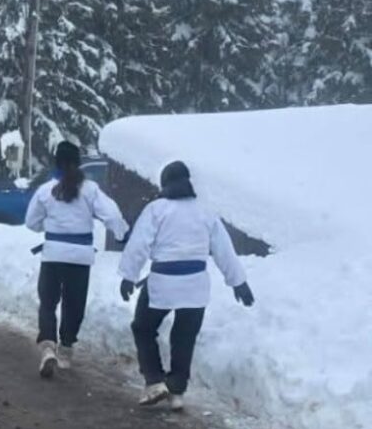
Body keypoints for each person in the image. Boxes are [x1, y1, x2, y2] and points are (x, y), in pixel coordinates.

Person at [118, 160, 254, 410]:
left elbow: (139, 244)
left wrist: (128, 276)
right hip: (195, 285)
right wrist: (238, 282)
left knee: (143, 327)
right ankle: (177, 391)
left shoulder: (157, 209)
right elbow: (224, 250)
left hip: (163, 282)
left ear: (165, 183)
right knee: (184, 337)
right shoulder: (205, 211)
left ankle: (155, 379)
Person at [25, 141, 129, 378]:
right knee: (74, 304)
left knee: (48, 302)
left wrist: (48, 225)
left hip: (52, 253)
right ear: (79, 162)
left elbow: (31, 222)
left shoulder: (46, 190)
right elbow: (111, 214)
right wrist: (122, 233)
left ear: (56, 162)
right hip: (80, 257)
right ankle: (66, 347)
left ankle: (48, 345)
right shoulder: (90, 189)